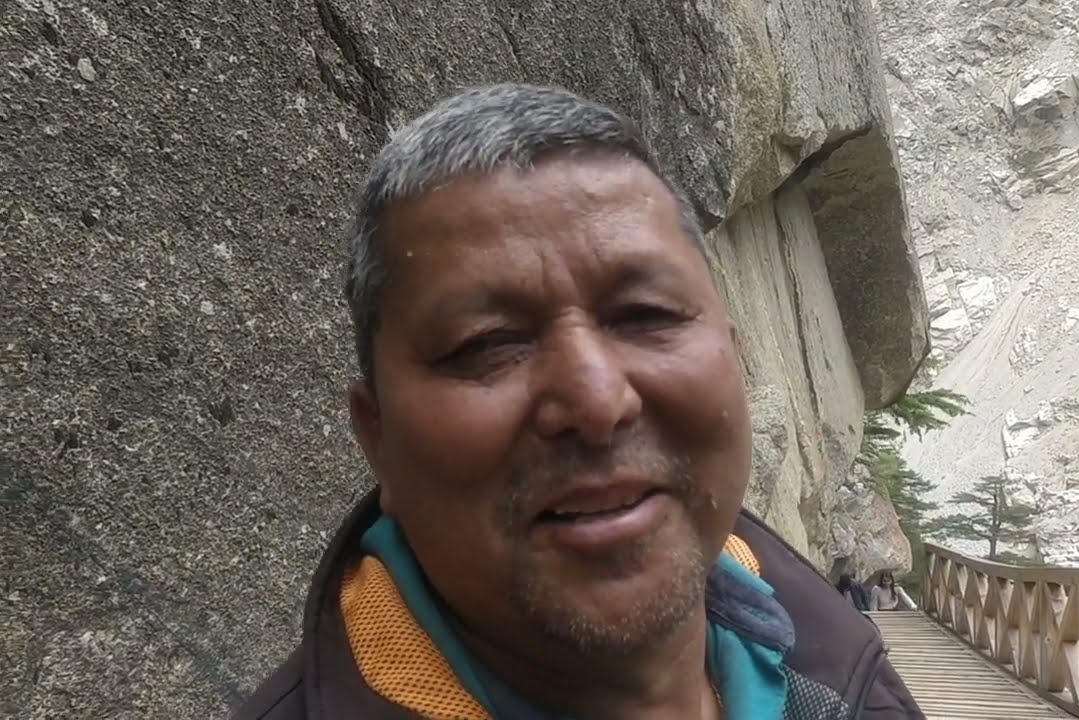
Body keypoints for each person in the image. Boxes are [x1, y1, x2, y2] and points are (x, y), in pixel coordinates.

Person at [233, 83, 923, 719]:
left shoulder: (838, 671)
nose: (597, 401)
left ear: (737, 361)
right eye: (484, 344)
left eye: (647, 313)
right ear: (377, 439)